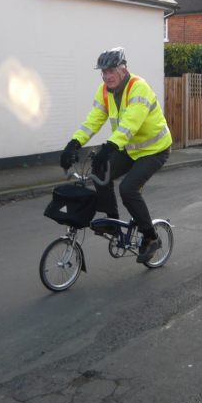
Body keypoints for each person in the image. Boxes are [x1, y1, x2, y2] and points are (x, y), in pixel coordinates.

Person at [60, 47, 172, 264]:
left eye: (111, 71)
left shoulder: (139, 88)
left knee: (128, 189)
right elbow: (93, 120)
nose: (107, 76)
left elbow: (130, 124)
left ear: (123, 69)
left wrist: (109, 148)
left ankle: (151, 237)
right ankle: (113, 220)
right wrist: (73, 144)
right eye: (103, 72)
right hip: (129, 148)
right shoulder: (104, 91)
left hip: (155, 149)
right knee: (99, 173)